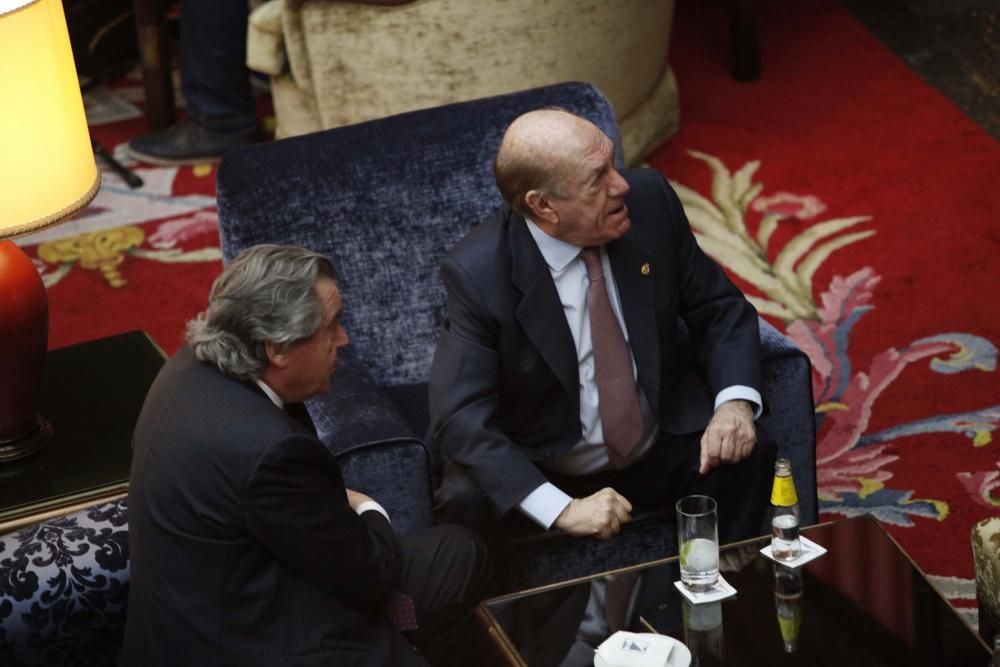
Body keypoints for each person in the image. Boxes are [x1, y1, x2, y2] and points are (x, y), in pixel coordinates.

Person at [122, 244, 490, 666]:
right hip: (250, 642)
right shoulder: (269, 452)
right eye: (331, 326)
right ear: (276, 349)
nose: (344, 339)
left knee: (457, 554)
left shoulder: (188, 366)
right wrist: (368, 505)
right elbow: (371, 575)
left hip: (219, 596)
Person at [428, 109, 776, 548]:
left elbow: (720, 309)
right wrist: (562, 508)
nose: (621, 185)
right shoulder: (480, 274)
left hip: (656, 438)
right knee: (464, 500)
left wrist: (734, 407)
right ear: (543, 206)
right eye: (597, 179)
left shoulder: (649, 202)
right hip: (549, 462)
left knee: (746, 452)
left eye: (613, 163)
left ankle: (722, 592)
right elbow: (459, 416)